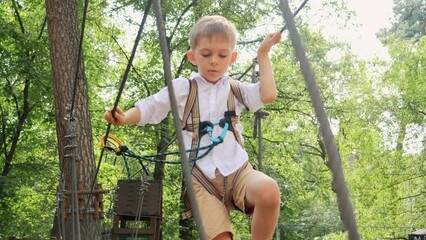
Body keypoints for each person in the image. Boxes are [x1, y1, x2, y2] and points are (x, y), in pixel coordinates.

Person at [104, 15, 281, 240]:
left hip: (238, 170)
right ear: (192, 57)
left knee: (269, 191)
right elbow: (150, 108)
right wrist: (124, 117)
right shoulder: (182, 89)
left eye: (222, 55)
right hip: (201, 180)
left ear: (232, 58)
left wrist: (263, 54)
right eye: (206, 54)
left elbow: (268, 94)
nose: (214, 61)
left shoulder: (236, 90)